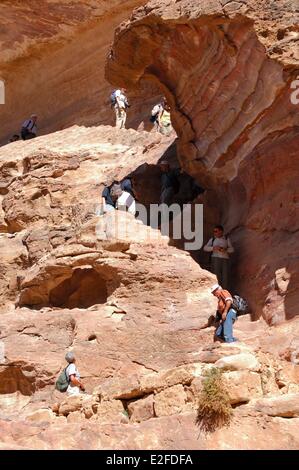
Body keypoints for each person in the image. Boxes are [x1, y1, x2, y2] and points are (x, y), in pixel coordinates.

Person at [203, 225, 234, 290]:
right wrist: (213, 248)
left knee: (225, 276)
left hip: (225, 259)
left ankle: (225, 292)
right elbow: (205, 248)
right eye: (214, 231)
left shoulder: (226, 238)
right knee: (216, 275)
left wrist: (225, 250)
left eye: (216, 231)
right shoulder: (212, 239)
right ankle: (217, 292)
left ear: (221, 231)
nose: (215, 233)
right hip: (215, 258)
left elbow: (232, 249)